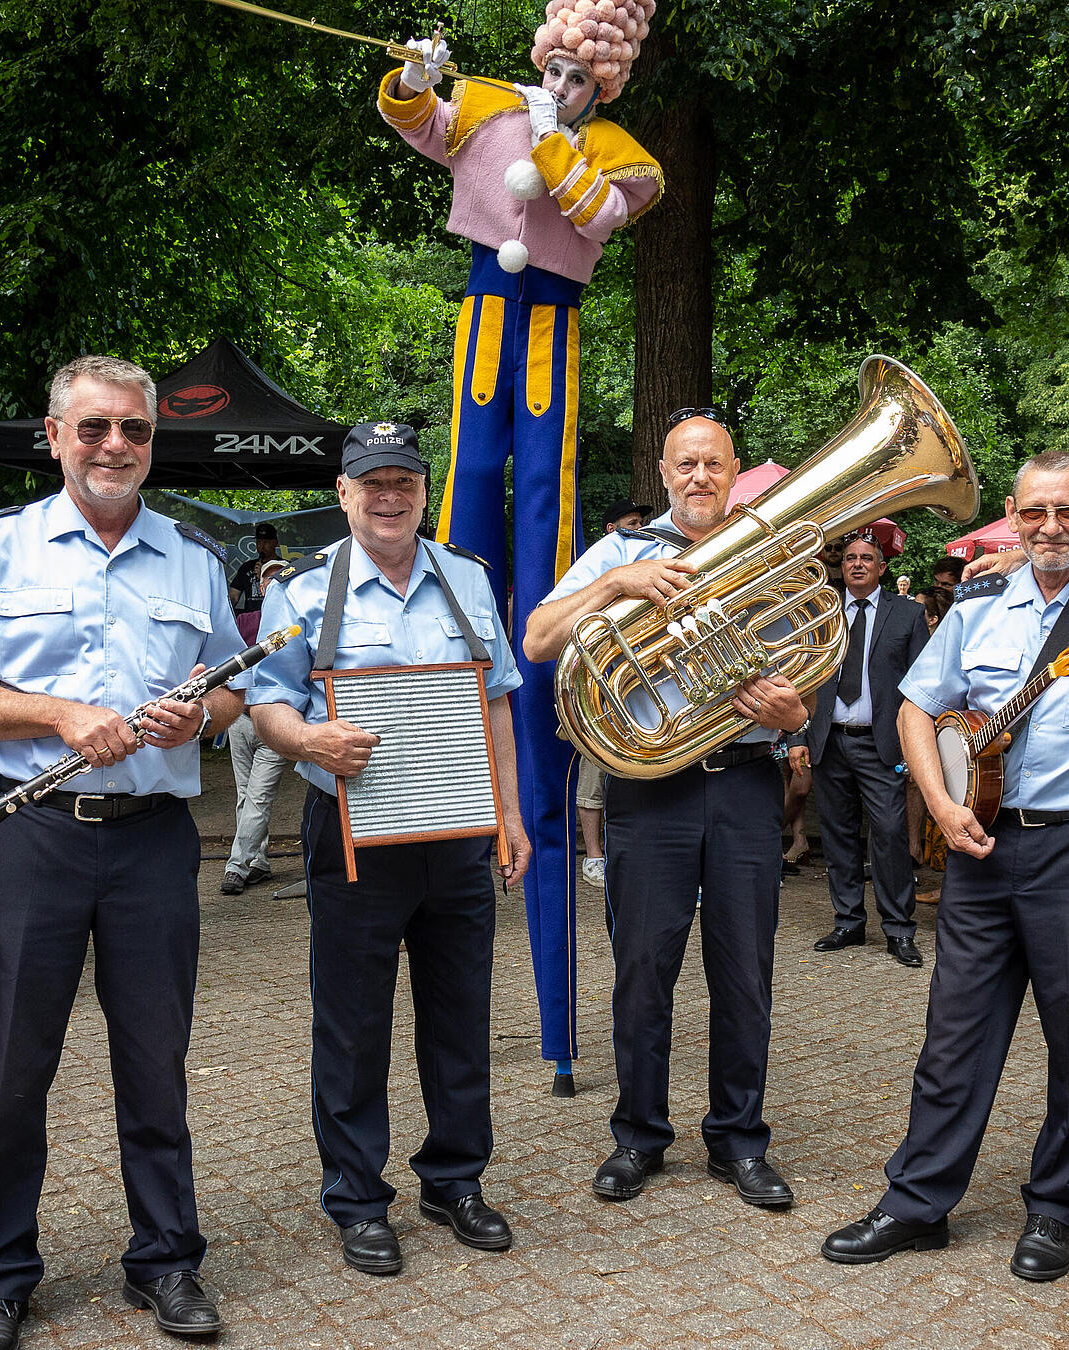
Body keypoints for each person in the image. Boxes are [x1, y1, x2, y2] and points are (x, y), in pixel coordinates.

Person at [0, 355, 243, 1348]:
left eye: (133, 432)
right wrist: (58, 713)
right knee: (15, 1067)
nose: (115, 447)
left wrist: (204, 718)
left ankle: (167, 1261)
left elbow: (227, 683)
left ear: (151, 442)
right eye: (94, 428)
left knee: (157, 1064)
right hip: (35, 839)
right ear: (55, 437)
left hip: (152, 843)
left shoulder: (191, 555)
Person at [817, 454, 1069, 1282]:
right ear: (1014, 517)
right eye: (1034, 514)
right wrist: (941, 806)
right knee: (953, 1037)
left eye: (1068, 512)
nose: (1050, 527)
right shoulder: (979, 603)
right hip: (979, 841)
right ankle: (916, 1204)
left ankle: (1055, 1207)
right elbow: (916, 708)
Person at [380, 10, 665, 1086]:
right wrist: (414, 78)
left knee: (543, 490)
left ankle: (558, 1038)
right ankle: (458, 615)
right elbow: (424, 125)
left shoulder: (623, 152)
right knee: (471, 474)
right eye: (555, 61)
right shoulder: (494, 104)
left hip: (553, 318)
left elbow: (595, 213)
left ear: (605, 82)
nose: (561, 77)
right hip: (484, 308)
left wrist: (554, 136)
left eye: (582, 71)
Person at [240, 420, 531, 1276]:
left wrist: (511, 818)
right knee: (354, 1025)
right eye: (372, 482)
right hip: (354, 838)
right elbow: (265, 706)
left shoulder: (468, 582)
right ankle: (358, 1198)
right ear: (344, 494)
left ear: (423, 490)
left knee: (459, 1014)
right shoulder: (303, 592)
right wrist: (310, 742)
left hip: (458, 830)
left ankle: (455, 1179)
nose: (389, 496)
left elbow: (499, 705)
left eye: (403, 479)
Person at [522, 410, 809, 1210]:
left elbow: (807, 673)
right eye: (685, 464)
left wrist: (793, 713)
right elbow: (541, 638)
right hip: (651, 788)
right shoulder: (621, 551)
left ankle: (739, 1140)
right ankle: (638, 1137)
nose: (698, 478)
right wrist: (616, 585)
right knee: (644, 970)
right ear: (663, 471)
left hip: (747, 779)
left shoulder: (768, 547)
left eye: (712, 464)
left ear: (733, 469)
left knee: (746, 971)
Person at [801, 532, 933, 966]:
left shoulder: (909, 614)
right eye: (851, 558)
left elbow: (922, 686)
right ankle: (848, 922)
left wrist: (919, 748)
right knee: (837, 835)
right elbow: (799, 675)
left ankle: (898, 928)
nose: (857, 564)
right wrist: (799, 737)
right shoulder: (818, 609)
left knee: (891, 834)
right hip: (829, 740)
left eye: (867, 558)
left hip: (882, 745)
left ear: (882, 567)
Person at [576, 500, 652, 887]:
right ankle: (593, 855)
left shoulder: (659, 555)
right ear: (611, 530)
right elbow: (539, 639)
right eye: (631, 523)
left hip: (651, 696)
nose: (640, 527)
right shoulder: (602, 566)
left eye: (642, 522)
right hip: (605, 695)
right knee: (593, 781)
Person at [221, 557, 292, 897]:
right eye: (268, 579)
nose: (273, 583)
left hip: (275, 725)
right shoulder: (242, 621)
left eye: (280, 577)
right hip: (239, 720)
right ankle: (259, 862)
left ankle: (236, 865)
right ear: (261, 587)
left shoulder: (297, 623)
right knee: (244, 795)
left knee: (258, 797)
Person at [227, 521, 283, 614]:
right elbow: (233, 596)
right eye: (259, 542)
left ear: (275, 543)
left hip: (275, 617)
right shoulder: (246, 567)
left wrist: (262, 575)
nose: (262, 546)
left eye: (266, 542)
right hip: (251, 619)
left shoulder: (283, 566)